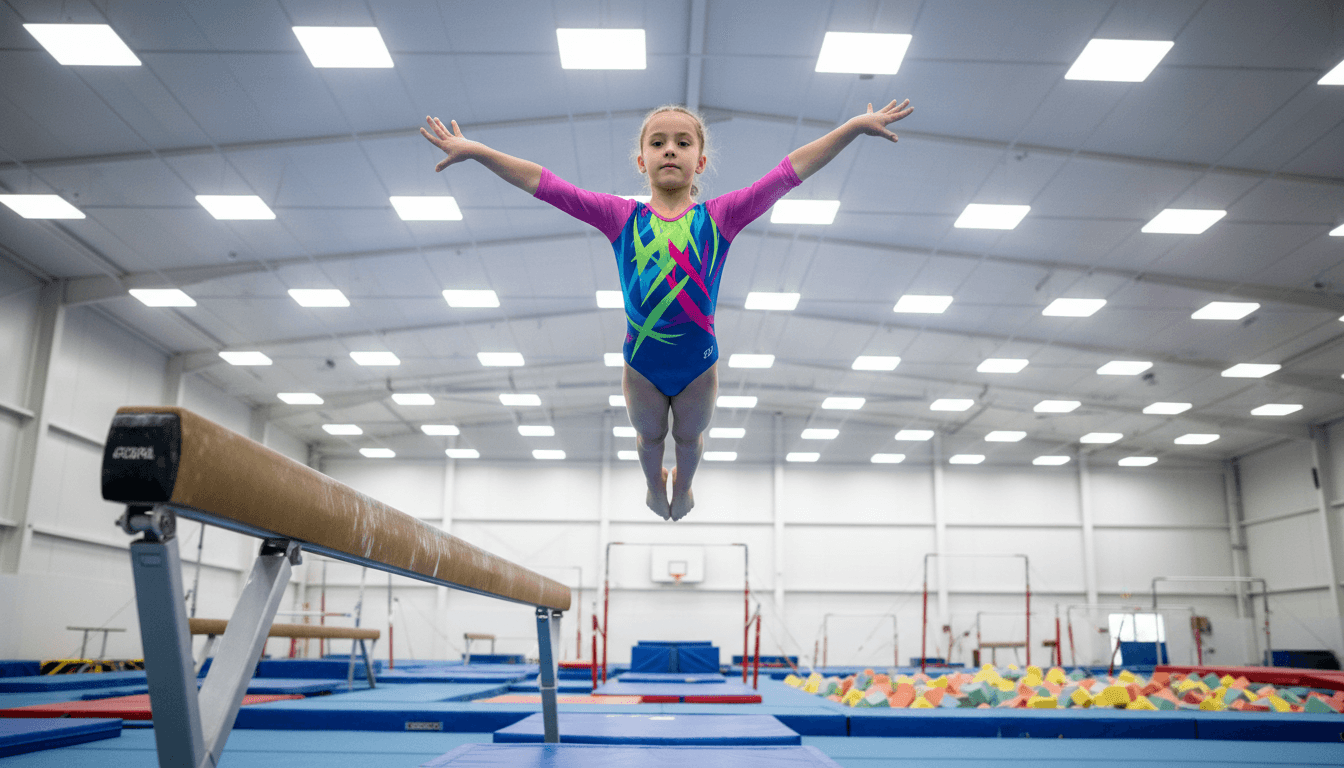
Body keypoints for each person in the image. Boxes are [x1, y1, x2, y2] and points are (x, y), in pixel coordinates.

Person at [420, 99, 913, 520]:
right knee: (650, 437)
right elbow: (544, 183)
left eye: (682, 142)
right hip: (643, 363)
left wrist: (850, 128)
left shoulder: (721, 216)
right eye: (657, 143)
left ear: (700, 162)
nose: (670, 149)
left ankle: (683, 485)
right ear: (642, 161)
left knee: (691, 440)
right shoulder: (620, 216)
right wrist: (478, 151)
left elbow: (788, 173)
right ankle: (656, 486)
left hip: (699, 363)